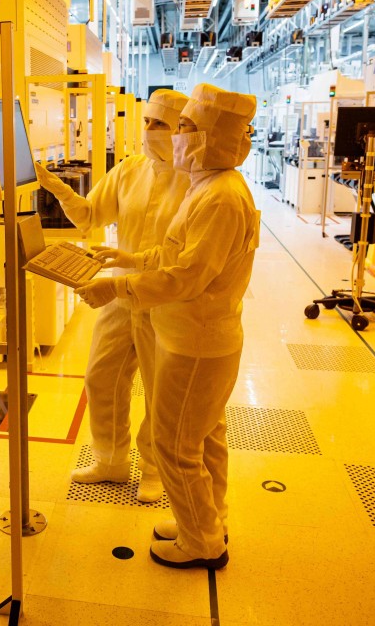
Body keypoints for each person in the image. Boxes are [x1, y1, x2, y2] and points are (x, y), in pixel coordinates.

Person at [75, 83, 260, 570]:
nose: (174, 135)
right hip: (191, 331)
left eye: (183, 126)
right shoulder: (210, 185)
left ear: (213, 136)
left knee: (176, 444)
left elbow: (185, 277)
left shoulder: (219, 196)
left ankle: (201, 543)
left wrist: (118, 287)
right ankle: (206, 520)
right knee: (201, 436)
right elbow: (175, 253)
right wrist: (130, 258)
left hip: (195, 336)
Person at [34, 89, 190, 502]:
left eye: (163, 124)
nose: (152, 131)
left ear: (182, 130)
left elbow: (187, 253)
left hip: (166, 299)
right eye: (149, 122)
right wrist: (57, 188)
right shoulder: (129, 169)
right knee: (101, 377)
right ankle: (111, 459)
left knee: (160, 392)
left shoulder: (195, 177)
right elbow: (89, 216)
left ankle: (155, 468)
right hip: (119, 294)